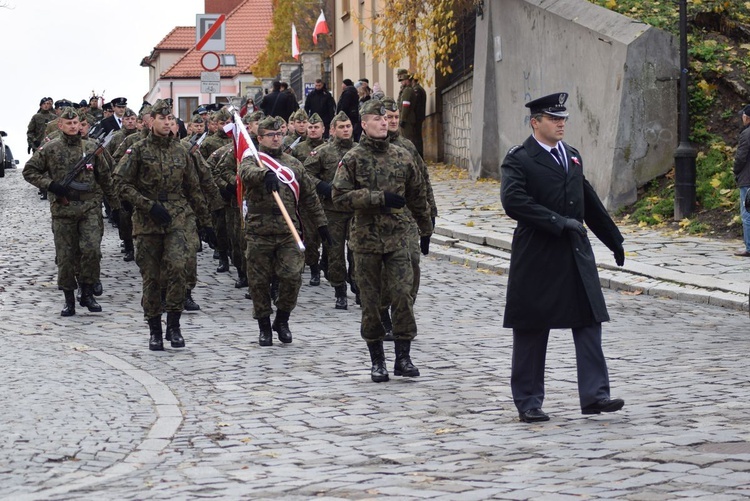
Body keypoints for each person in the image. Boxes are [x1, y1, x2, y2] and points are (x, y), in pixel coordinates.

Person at [500, 92, 626, 423]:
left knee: (588, 322)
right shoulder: (519, 158)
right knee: (531, 327)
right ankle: (528, 400)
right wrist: (559, 222)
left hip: (573, 253)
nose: (560, 123)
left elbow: (587, 198)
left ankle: (595, 395)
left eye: (563, 119)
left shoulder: (571, 155)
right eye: (553, 119)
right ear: (535, 122)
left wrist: (613, 238)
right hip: (537, 254)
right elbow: (514, 202)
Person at [332, 99, 432, 383]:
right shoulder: (352, 158)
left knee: (403, 295)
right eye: (377, 119)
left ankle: (403, 357)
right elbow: (338, 197)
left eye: (386, 119)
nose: (384, 122)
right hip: (366, 240)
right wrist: (377, 198)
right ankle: (377, 360)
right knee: (372, 302)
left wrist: (425, 229)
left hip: (399, 236)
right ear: (364, 123)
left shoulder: (402, 156)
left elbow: (417, 194)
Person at [114, 99, 216, 352]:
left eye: (170, 119)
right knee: (152, 278)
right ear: (151, 122)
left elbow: (193, 188)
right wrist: (147, 205)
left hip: (178, 218)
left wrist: (206, 223)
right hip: (148, 221)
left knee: (178, 270)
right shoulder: (137, 150)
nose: (168, 123)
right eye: (162, 119)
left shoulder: (182, 151)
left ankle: (174, 324)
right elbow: (121, 184)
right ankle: (155, 331)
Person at [239, 116, 329, 346]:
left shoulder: (293, 163)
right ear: (260, 138)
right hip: (259, 232)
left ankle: (282, 319)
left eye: (279, 134)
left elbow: (309, 196)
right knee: (259, 283)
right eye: (271, 135)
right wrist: (264, 175)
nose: (276, 138)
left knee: (291, 276)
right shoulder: (253, 160)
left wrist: (321, 224)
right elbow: (246, 174)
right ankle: (264, 326)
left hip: (289, 231)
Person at [23, 107, 120, 317]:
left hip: (90, 208)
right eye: (68, 123)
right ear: (60, 125)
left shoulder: (92, 147)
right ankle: (69, 299)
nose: (73, 126)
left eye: (76, 122)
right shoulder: (50, 148)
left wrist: (116, 206)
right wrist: (50, 185)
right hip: (63, 210)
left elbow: (105, 177)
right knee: (66, 257)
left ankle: (87, 293)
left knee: (91, 251)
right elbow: (29, 171)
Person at [304, 111, 356, 309]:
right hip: (332, 211)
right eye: (341, 127)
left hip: (355, 210)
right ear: (333, 130)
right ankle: (339, 290)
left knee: (357, 252)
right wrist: (322, 186)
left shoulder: (359, 151)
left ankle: (358, 285)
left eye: (348, 126)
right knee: (335, 253)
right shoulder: (323, 152)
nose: (345, 130)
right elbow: (305, 173)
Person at [733, 104, 750, 257]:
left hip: (748, 179)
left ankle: (749, 247)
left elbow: (740, 158)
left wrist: (735, 171)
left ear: (746, 117)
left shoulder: (746, 134)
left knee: (747, 213)